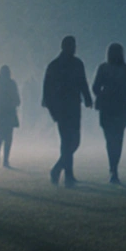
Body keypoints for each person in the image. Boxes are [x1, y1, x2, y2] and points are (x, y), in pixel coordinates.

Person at [42, 36, 92, 186]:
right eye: (72, 45)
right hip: (64, 108)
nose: (74, 48)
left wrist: (88, 98)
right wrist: (52, 109)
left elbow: (83, 83)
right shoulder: (56, 65)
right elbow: (47, 90)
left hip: (71, 107)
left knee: (73, 141)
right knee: (68, 141)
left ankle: (58, 169)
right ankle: (67, 175)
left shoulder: (72, 64)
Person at [91, 43, 126, 184]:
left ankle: (113, 169)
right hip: (119, 108)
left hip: (108, 109)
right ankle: (114, 168)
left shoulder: (104, 68)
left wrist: (104, 95)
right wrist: (125, 97)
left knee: (110, 141)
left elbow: (95, 87)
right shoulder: (125, 69)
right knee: (117, 140)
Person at [0, 66, 20, 168]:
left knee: (3, 135)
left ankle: (0, 155)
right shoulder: (11, 83)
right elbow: (17, 99)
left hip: (0, 112)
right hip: (8, 112)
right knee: (7, 136)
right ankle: (4, 159)